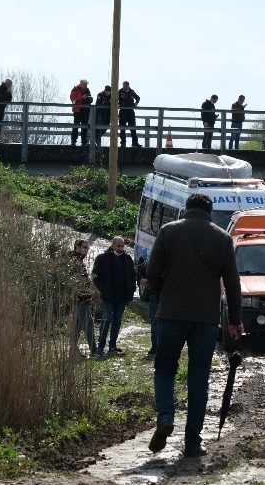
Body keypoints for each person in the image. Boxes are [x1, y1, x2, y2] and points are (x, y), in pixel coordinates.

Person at [146, 193, 243, 457]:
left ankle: (166, 416)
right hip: (205, 319)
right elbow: (233, 284)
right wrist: (235, 320)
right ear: (210, 212)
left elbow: (152, 272)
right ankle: (192, 442)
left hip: (171, 314)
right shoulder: (222, 238)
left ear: (186, 209)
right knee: (199, 379)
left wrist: (161, 294)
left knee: (164, 370)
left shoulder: (168, 232)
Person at [92, 236, 137, 357]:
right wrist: (103, 288)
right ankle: (100, 347)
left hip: (122, 297)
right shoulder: (102, 258)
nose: (121, 248)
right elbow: (96, 275)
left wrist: (132, 288)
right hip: (108, 296)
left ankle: (112, 345)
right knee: (106, 320)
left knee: (117, 321)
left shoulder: (127, 259)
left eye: (122, 246)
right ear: (113, 245)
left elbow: (133, 275)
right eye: (118, 246)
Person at [69, 239, 97, 359]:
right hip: (80, 299)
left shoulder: (77, 260)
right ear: (77, 247)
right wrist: (86, 297)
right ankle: (95, 351)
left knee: (77, 326)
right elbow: (77, 283)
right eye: (84, 247)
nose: (86, 250)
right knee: (88, 324)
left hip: (79, 299)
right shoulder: (73, 261)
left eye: (87, 248)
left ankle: (73, 351)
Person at [136, 257, 159, 356]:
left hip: (168, 298)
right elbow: (141, 273)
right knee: (154, 323)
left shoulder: (173, 262)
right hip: (155, 296)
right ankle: (155, 347)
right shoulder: (153, 261)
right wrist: (142, 279)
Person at [70, 79, 93, 147]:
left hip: (86, 110)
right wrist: (82, 97)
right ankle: (73, 141)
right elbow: (73, 98)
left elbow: (89, 100)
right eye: (85, 84)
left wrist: (90, 99)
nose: (86, 86)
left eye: (86, 85)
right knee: (76, 126)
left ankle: (84, 142)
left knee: (85, 127)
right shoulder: (75, 89)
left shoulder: (87, 90)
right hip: (78, 111)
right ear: (81, 84)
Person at [119, 81, 140, 147]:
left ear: (128, 86)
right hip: (123, 111)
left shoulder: (131, 91)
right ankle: (123, 142)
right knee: (122, 128)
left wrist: (136, 103)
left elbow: (138, 97)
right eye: (124, 86)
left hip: (130, 111)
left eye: (126, 86)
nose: (124, 87)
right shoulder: (120, 92)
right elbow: (115, 98)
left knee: (133, 127)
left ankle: (135, 142)